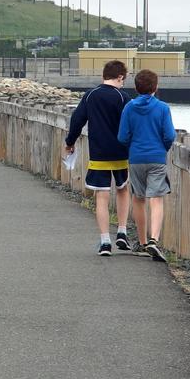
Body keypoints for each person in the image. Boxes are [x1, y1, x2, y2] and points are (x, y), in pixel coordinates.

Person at [63, 60, 137, 256]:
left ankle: (105, 241)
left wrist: (70, 142)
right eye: (124, 79)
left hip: (99, 154)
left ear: (104, 75)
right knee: (123, 189)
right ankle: (122, 231)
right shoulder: (124, 98)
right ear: (120, 76)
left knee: (102, 197)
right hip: (121, 153)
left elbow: (77, 120)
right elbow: (132, 125)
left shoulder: (91, 95)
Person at [118, 69, 176, 263]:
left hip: (136, 158)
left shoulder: (129, 108)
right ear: (156, 87)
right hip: (157, 157)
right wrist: (162, 148)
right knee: (156, 199)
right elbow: (169, 135)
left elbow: (122, 136)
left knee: (139, 199)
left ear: (136, 87)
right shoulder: (162, 108)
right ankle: (154, 239)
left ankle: (142, 242)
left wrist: (133, 147)